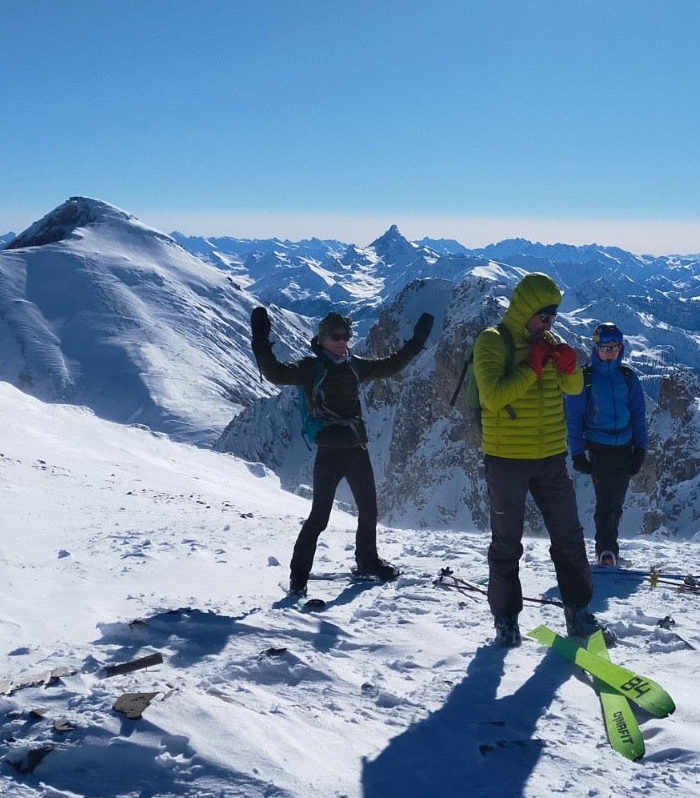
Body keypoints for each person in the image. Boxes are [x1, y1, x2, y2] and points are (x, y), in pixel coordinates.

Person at [250, 306, 433, 597]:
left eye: (345, 335)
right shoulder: (310, 368)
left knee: (369, 510)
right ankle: (298, 577)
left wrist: (417, 340)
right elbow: (275, 373)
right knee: (319, 518)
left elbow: (391, 365)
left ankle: (367, 561)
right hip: (330, 454)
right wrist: (260, 339)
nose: (341, 340)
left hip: (356, 449)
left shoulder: (353, 365)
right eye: (335, 336)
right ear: (321, 338)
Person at [474, 272, 599, 647]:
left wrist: (570, 367)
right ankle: (506, 618)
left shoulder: (552, 341)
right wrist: (532, 366)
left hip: (550, 457)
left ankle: (578, 611)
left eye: (553, 317)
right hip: (507, 459)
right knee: (507, 542)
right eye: (544, 316)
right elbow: (493, 397)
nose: (550, 323)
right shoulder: (492, 342)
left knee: (569, 537)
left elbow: (574, 389)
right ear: (525, 310)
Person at [564, 323, 648, 567]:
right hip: (599, 449)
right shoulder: (586, 378)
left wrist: (640, 449)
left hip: (625, 446)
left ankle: (610, 546)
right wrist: (578, 453)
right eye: (604, 347)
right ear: (595, 347)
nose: (610, 352)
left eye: (614, 347)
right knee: (605, 502)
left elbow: (638, 414)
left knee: (618, 501)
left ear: (621, 347)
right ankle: (606, 549)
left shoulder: (627, 377)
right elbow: (574, 417)